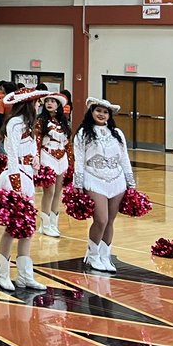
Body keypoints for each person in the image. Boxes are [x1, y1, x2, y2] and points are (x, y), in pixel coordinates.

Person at [0, 87, 51, 291]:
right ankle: (2, 274)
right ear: (29, 104)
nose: (39, 106)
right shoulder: (15, 123)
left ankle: (25, 275)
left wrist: (35, 160)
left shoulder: (30, 124)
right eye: (37, 103)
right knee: (12, 228)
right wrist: (16, 185)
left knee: (28, 227)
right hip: (14, 176)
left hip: (27, 175)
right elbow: (11, 154)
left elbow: (31, 148)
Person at [73, 97, 136, 272]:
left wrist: (131, 182)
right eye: (98, 111)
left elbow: (124, 158)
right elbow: (78, 160)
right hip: (93, 178)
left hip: (117, 180)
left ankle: (105, 255)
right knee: (101, 219)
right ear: (91, 112)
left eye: (105, 112)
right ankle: (92, 255)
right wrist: (77, 182)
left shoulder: (117, 133)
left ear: (109, 115)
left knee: (110, 221)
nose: (101, 114)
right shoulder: (83, 134)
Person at [38, 92, 72, 238]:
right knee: (49, 192)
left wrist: (71, 161)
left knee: (57, 193)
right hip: (47, 156)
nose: (49, 103)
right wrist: (37, 158)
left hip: (61, 158)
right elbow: (37, 141)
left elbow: (67, 143)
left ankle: (53, 223)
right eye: (47, 101)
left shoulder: (63, 122)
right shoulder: (40, 121)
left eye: (53, 101)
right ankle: (44, 224)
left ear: (58, 105)